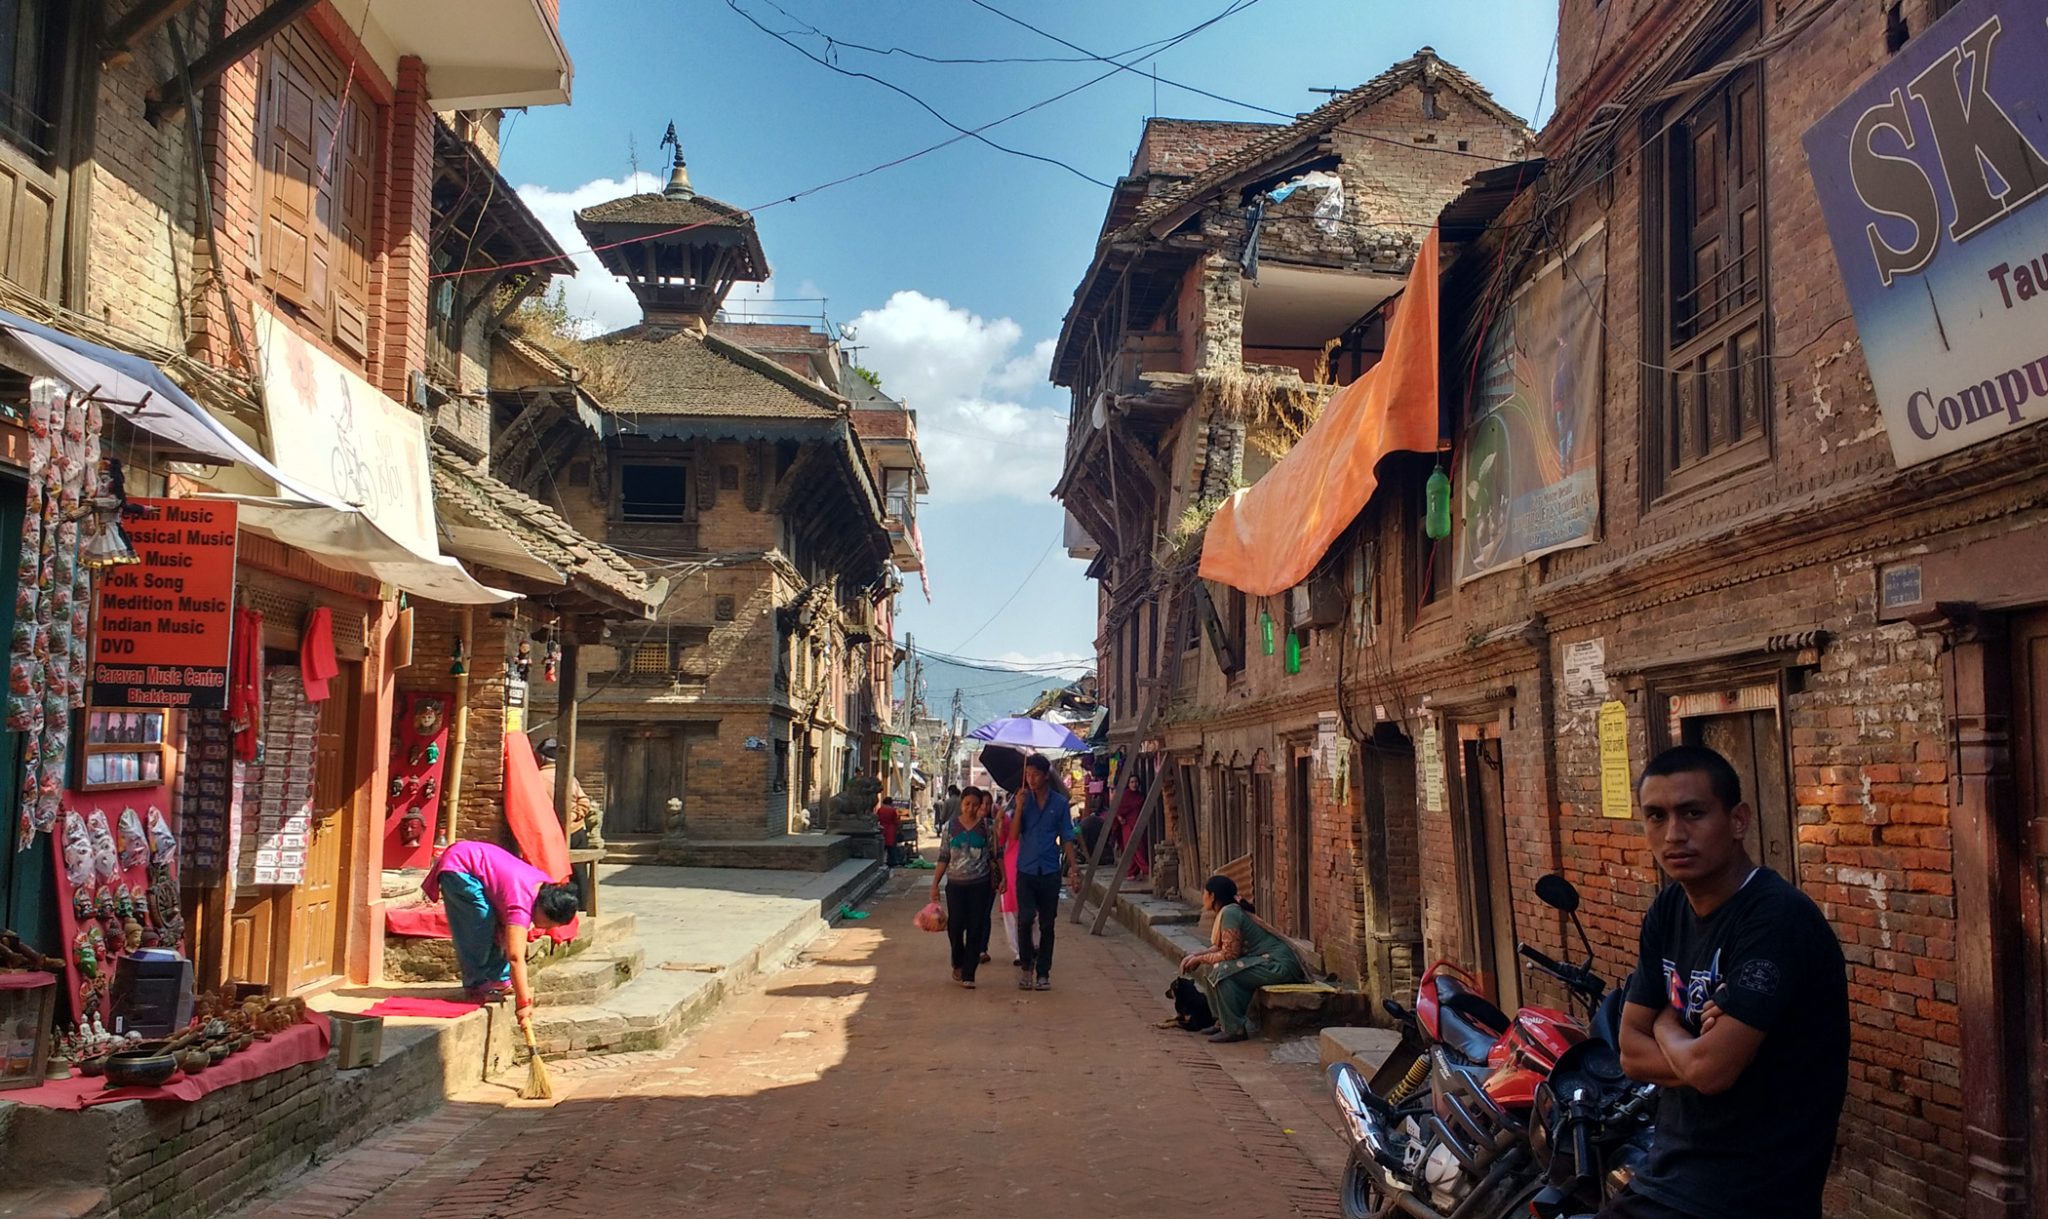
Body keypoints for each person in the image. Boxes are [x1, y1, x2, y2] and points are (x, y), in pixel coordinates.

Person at [1605, 746, 1848, 1219]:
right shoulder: (1668, 910)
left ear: (1738, 820)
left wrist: (1666, 1024)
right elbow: (1629, 1054)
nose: (1674, 834)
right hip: (1670, 1174)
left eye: (1693, 813)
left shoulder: (1775, 919)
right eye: (1656, 816)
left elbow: (1711, 1071)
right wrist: (1697, 1056)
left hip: (1750, 1193)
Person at [421, 839, 579, 1021]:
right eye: (551, 923)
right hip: (460, 866)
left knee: (499, 930)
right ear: (544, 910)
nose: (549, 928)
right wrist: (524, 1002)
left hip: (478, 866)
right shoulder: (522, 903)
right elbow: (515, 957)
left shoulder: (546, 889)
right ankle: (476, 985)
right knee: (480, 922)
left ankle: (499, 978)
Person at [1178, 875, 1303, 1043]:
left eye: (1205, 893)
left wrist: (1200, 959)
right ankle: (1221, 1022)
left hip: (1278, 965)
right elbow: (1220, 948)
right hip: (1265, 962)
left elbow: (1230, 954)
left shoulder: (1230, 913)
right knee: (1212, 967)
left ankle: (1234, 1028)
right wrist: (1196, 956)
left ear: (1213, 896)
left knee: (1222, 971)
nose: (1203, 897)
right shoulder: (1229, 911)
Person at [1007, 752, 1077, 991]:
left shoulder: (1059, 803)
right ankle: (1026, 967)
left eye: (1035, 775)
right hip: (1025, 870)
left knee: (1047, 924)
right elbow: (1014, 835)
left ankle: (1043, 972)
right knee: (1025, 920)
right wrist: (1018, 808)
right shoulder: (1022, 801)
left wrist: (1074, 868)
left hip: (1049, 870)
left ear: (1046, 776)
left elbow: (1067, 836)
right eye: (1028, 775)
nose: (1031, 779)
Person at [930, 786, 998, 988]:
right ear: (961, 804)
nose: (971, 808)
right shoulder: (950, 828)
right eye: (967, 804)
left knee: (976, 926)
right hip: (956, 885)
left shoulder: (987, 827)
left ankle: (969, 973)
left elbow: (995, 854)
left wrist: (1002, 878)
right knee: (956, 926)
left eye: (975, 805)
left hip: (980, 884)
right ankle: (957, 961)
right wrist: (935, 884)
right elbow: (944, 856)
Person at [535, 737, 597, 849]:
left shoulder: (536, 779)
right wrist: (572, 816)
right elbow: (584, 801)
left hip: (549, 834)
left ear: (541, 758)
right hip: (575, 831)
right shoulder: (570, 778)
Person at [875, 797, 902, 866]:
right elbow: (895, 821)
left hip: (882, 828)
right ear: (891, 803)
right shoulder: (893, 810)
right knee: (892, 847)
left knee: (882, 846)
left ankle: (880, 861)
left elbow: (877, 819)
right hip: (891, 829)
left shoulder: (880, 810)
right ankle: (892, 861)